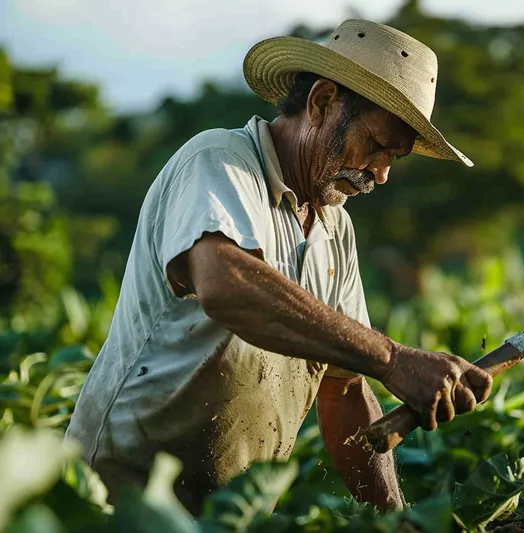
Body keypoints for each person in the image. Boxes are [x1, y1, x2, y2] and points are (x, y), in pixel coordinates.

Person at [64, 19, 493, 515]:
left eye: (394, 157)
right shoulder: (220, 162)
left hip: (225, 513)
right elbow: (226, 284)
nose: (382, 173)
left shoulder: (335, 230)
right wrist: (392, 360)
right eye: (377, 145)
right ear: (323, 102)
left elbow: (343, 389)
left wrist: (397, 522)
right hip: (120, 499)